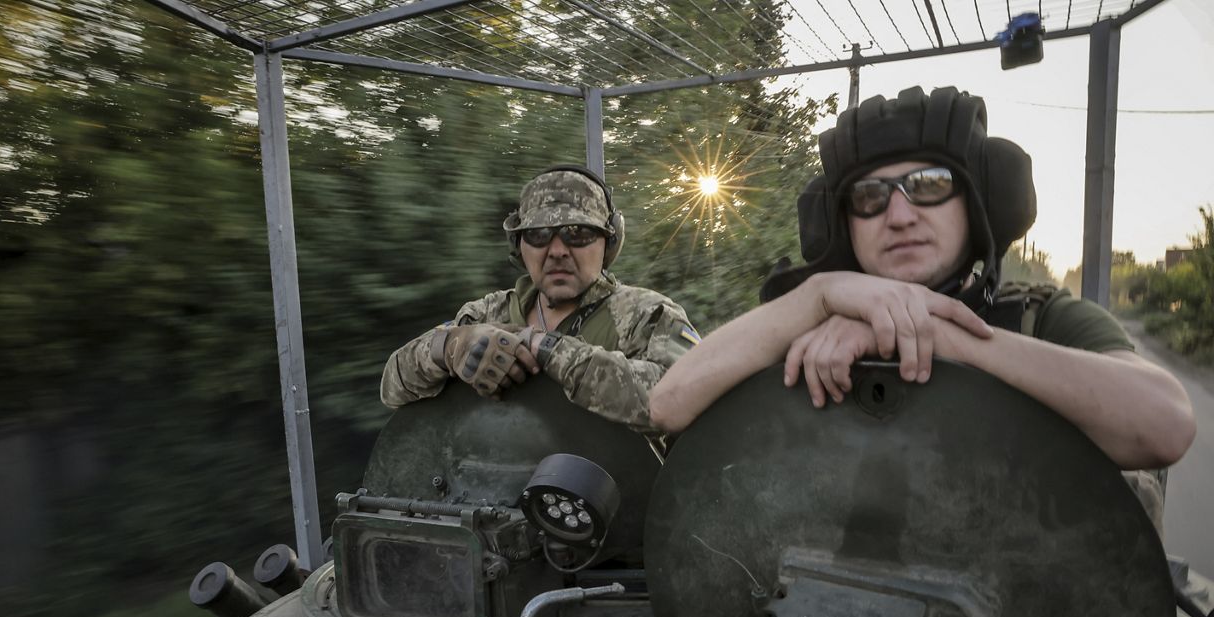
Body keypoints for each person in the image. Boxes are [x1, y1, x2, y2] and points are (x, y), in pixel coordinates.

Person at [649, 87, 1195, 482]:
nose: (900, 215)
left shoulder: (1039, 320)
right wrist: (815, 297)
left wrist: (943, 334)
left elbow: (1165, 425)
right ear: (846, 225)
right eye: (869, 197)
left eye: (929, 185)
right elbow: (668, 404)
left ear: (975, 206)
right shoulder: (812, 323)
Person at [381, 165, 699, 435]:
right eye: (538, 235)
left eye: (577, 233)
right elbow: (393, 388)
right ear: (519, 246)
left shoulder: (649, 316)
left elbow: (683, 398)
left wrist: (543, 347)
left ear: (608, 242)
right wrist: (449, 347)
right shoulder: (487, 314)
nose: (557, 250)